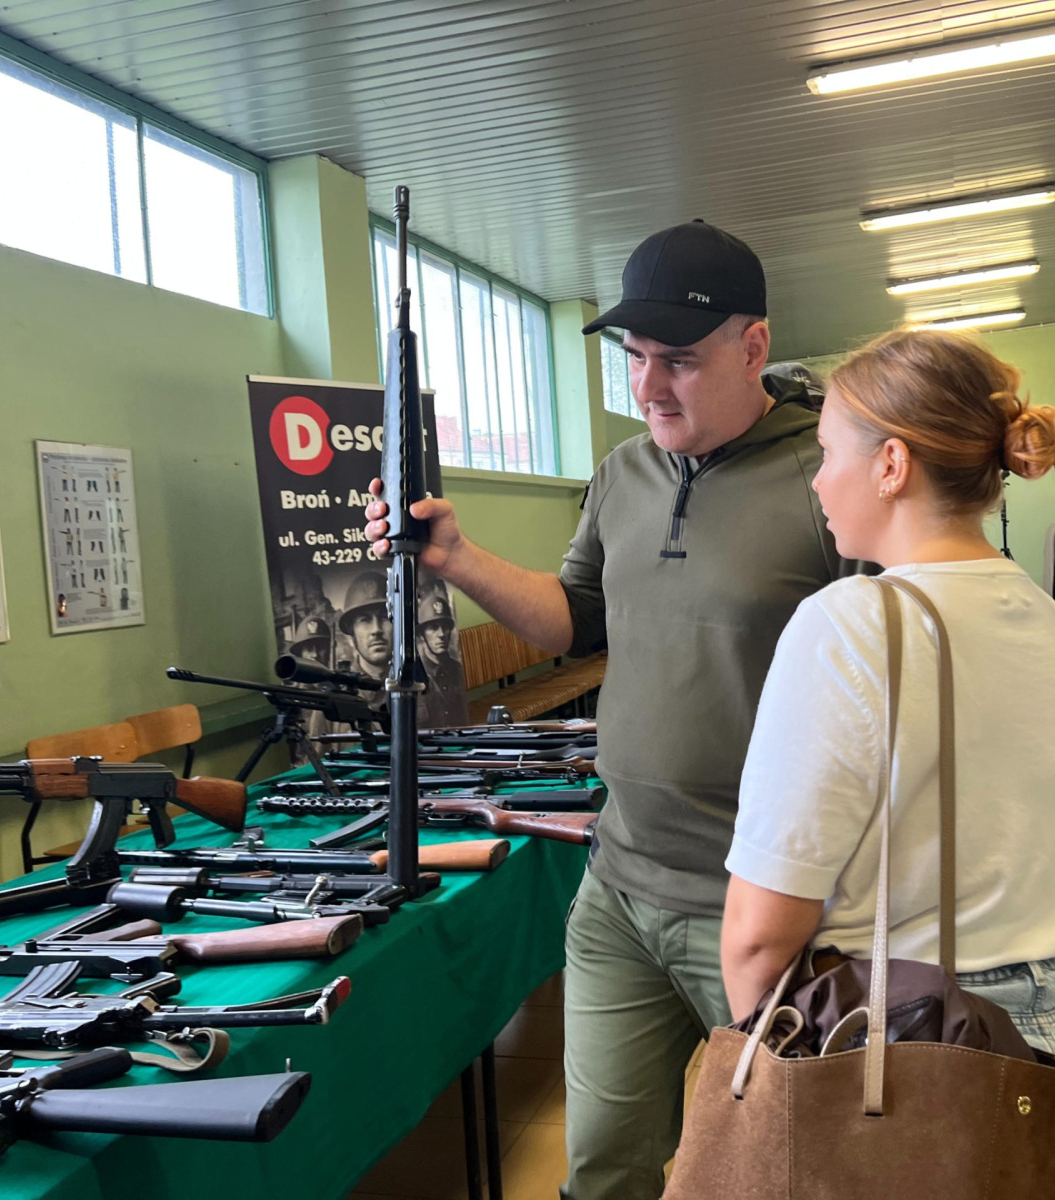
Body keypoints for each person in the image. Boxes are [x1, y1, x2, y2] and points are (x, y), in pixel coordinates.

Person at [365, 219, 861, 1200]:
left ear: (753, 346)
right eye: (635, 358)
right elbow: (574, 620)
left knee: (797, 1170)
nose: (648, 386)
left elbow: (889, 676)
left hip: (769, 900)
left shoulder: (828, 474)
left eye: (678, 360)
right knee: (601, 1169)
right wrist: (455, 557)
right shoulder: (623, 473)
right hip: (620, 885)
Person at [721, 329, 1055, 1200]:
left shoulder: (850, 624)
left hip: (930, 1058)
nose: (817, 481)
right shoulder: (1042, 613)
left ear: (891, 465)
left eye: (827, 453)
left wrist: (770, 1092)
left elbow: (759, 934)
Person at [417, 585, 470, 728]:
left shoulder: (456, 670)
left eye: (445, 627)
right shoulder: (416, 675)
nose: (441, 634)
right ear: (421, 634)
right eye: (433, 628)